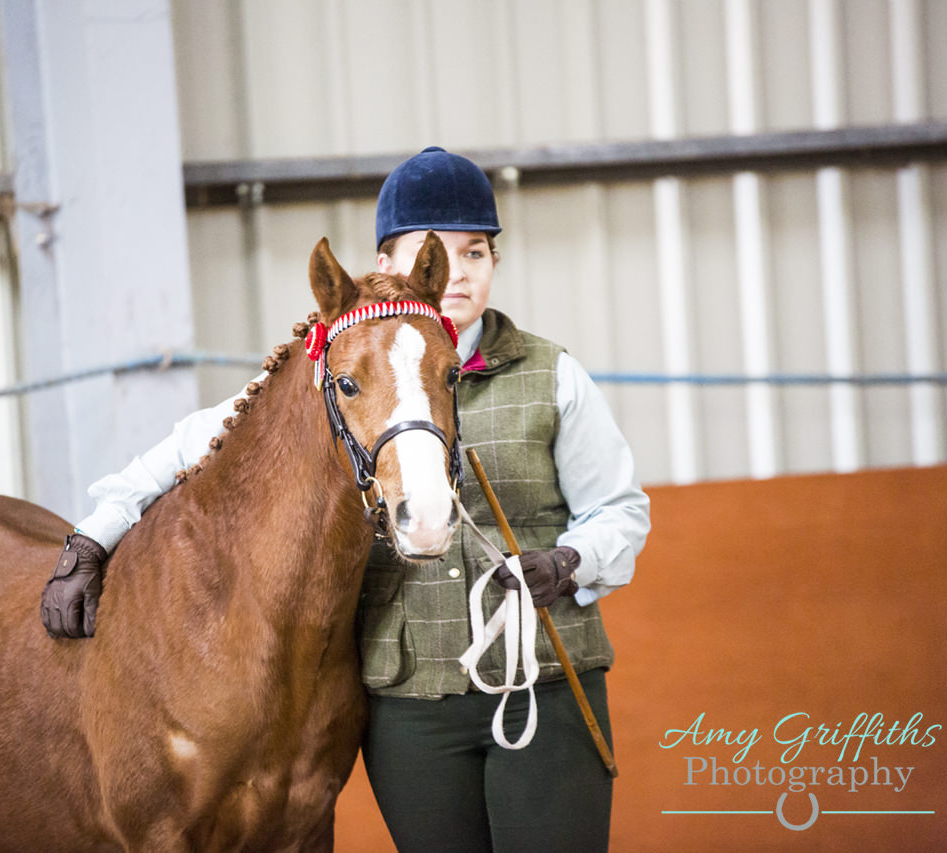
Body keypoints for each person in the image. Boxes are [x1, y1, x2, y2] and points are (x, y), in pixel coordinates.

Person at [42, 146, 650, 851]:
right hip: (410, 702)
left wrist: (571, 560)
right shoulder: (335, 370)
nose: (454, 270)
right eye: (431, 253)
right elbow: (186, 447)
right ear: (390, 263)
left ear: (491, 264)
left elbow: (621, 508)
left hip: (538, 682)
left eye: (474, 252)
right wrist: (90, 537)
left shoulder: (554, 375)